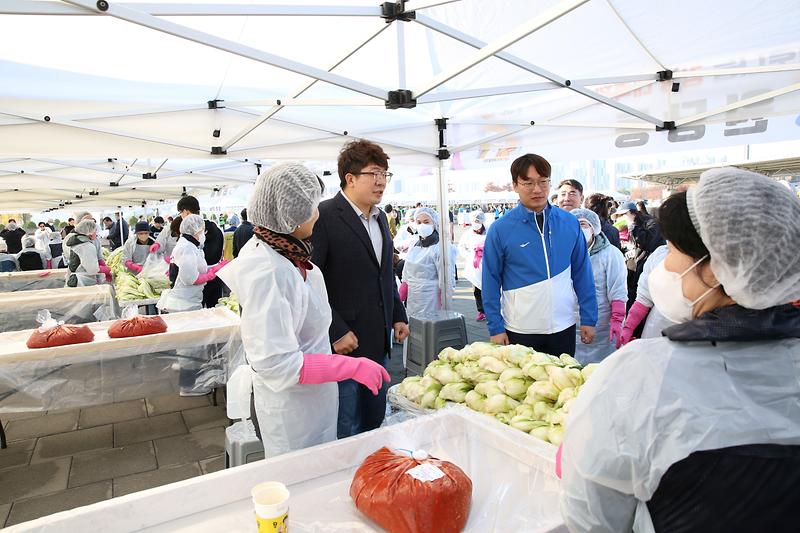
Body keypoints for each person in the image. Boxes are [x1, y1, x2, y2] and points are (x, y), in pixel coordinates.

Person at [560, 167, 800, 532]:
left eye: (672, 250)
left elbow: (592, 518)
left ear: (718, 269)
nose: (665, 264)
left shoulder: (641, 376)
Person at [219, 163, 390, 455]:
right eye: (311, 208)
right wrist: (350, 365)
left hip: (314, 400)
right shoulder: (267, 271)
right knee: (301, 478)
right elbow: (277, 364)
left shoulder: (291, 253)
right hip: (291, 410)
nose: (318, 214)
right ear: (290, 216)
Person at [311, 140, 410, 438]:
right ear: (350, 178)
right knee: (346, 426)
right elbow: (310, 283)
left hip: (378, 341)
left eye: (385, 174)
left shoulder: (379, 219)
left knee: (373, 420)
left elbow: (384, 274)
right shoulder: (324, 216)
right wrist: (335, 330)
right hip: (344, 346)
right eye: (374, 173)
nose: (381, 182)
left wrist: (397, 315)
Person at [482, 153, 597, 356]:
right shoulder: (500, 229)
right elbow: (490, 279)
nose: (537, 189)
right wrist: (495, 327)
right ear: (515, 185)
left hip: (563, 325)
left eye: (543, 182)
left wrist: (589, 318)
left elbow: (582, 272)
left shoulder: (569, 223)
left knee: (563, 384)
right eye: (528, 183)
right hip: (520, 327)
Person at [157, 214, 227, 395]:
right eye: (202, 229)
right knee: (192, 345)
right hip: (184, 303)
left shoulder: (190, 247)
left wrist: (215, 267)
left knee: (188, 344)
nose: (204, 233)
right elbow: (191, 278)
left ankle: (186, 373)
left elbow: (194, 270)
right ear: (196, 231)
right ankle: (188, 386)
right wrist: (211, 274)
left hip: (188, 301)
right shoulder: (186, 249)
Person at [569, 209, 627, 364]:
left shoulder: (610, 254)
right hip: (570, 325)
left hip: (602, 327)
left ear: (593, 229)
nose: (579, 229)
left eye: (583, 224)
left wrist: (617, 319)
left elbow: (618, 290)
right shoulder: (565, 253)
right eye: (575, 225)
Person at [152, 196, 224, 307]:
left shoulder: (193, 235)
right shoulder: (215, 229)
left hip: (200, 286)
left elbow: (191, 274)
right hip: (201, 286)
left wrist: (210, 272)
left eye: (180, 212)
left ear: (185, 211)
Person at [400, 208, 457, 317]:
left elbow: (447, 277)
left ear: (434, 223)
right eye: (419, 222)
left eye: (426, 222)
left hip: (431, 297)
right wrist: (404, 284)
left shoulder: (441, 247)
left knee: (430, 328)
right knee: (415, 327)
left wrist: (444, 298)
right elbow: (407, 268)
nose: (422, 225)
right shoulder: (414, 244)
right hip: (413, 296)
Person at [619, 244, 676, 344]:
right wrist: (629, 327)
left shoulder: (709, 262)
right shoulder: (660, 255)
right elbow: (643, 299)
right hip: (656, 333)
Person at [617, 200, 665, 307]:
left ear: (632, 212)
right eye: (619, 216)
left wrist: (634, 227)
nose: (621, 218)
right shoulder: (623, 227)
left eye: (624, 214)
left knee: (640, 297)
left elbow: (647, 243)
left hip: (645, 266)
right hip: (631, 265)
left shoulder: (650, 223)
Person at [458, 210, 488, 321]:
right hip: (474, 265)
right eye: (474, 221)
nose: (475, 223)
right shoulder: (467, 234)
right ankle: (481, 310)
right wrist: (470, 255)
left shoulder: (489, 232)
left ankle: (491, 309)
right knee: (476, 288)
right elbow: (461, 247)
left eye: (477, 221)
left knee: (489, 288)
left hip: (487, 264)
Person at [64, 219, 107, 287]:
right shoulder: (86, 246)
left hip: (75, 277)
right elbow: (92, 269)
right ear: (89, 233)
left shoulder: (78, 242)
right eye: (95, 231)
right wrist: (107, 270)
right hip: (82, 281)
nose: (96, 233)